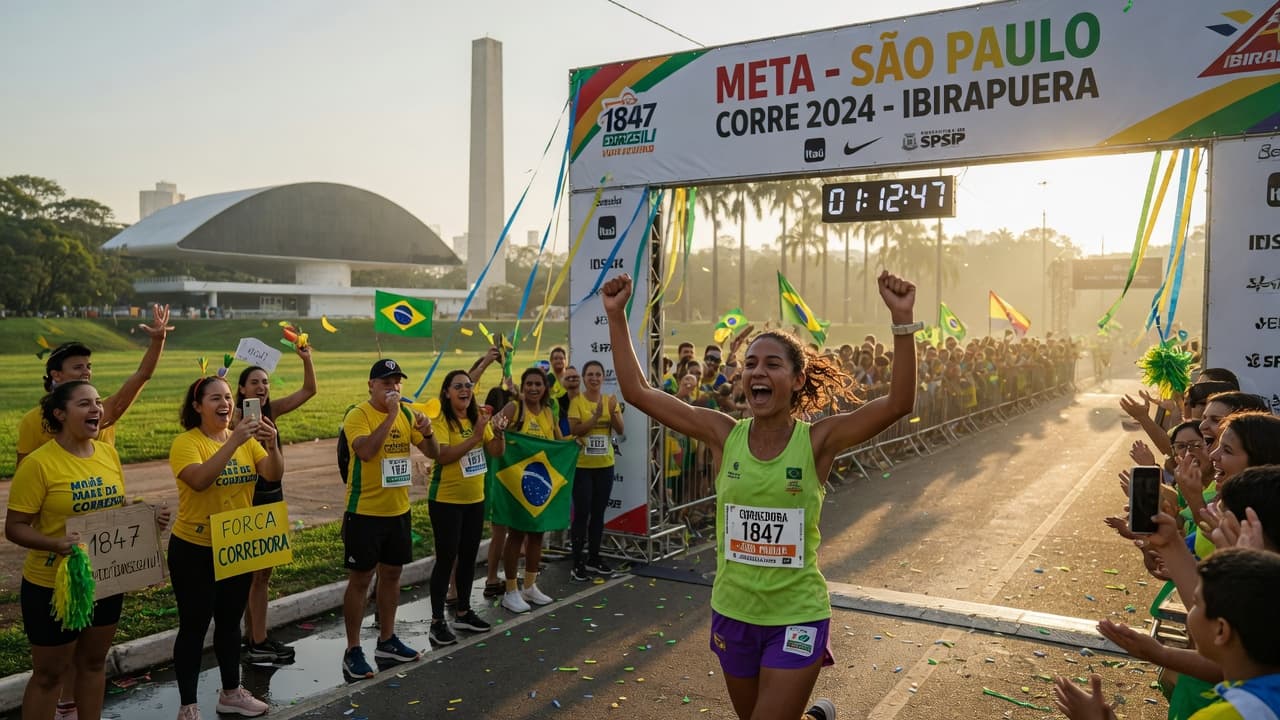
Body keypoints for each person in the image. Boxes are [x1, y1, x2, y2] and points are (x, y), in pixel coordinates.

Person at [598, 270, 918, 720]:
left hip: (796, 614)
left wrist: (902, 321)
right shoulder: (721, 433)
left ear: (796, 379)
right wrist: (615, 316)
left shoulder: (818, 441)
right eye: (749, 364)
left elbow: (898, 403)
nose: (757, 372)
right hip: (734, 611)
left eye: (771, 364)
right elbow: (637, 391)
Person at [6, 381, 171, 720]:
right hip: (52, 586)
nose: (96, 409)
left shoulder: (108, 454)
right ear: (60, 413)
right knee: (50, 675)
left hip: (104, 579)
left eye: (97, 402)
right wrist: (55, 543)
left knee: (94, 664)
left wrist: (144, 516)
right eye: (85, 404)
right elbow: (15, 527)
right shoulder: (38, 465)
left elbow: (114, 507)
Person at [168, 375, 283, 720]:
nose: (225, 404)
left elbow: (273, 475)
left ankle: (231, 692)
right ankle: (188, 704)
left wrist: (273, 444)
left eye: (229, 397)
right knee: (194, 625)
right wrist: (233, 441)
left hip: (236, 543)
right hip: (194, 547)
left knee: (230, 624)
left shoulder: (248, 441)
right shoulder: (187, 443)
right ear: (197, 406)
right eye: (215, 398)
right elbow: (201, 481)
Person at [1054, 548, 1280, 720]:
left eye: (1196, 604)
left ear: (1221, 630)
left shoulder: (1225, 715)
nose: (1190, 612)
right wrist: (1158, 652)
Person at [339, 359, 439, 679]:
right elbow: (366, 451)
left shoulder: (408, 415)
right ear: (371, 385)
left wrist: (429, 431)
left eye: (397, 382)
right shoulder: (358, 415)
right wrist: (393, 415)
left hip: (398, 511)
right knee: (361, 579)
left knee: (392, 575)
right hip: (364, 513)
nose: (393, 388)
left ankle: (387, 639)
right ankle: (353, 649)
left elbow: (433, 452)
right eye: (386, 383)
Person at [236, 344, 317, 665]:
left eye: (265, 382)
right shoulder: (234, 418)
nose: (261, 387)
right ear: (241, 388)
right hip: (246, 501)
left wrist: (306, 359)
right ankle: (257, 640)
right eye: (254, 382)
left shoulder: (272, 412)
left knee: (262, 575)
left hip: (272, 495)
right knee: (249, 575)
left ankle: (254, 636)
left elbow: (309, 390)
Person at [16, 305, 173, 470]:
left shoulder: (99, 410)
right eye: (78, 367)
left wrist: (158, 341)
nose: (86, 372)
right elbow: (24, 473)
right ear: (56, 375)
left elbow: (142, 375)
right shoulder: (33, 421)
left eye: (88, 366)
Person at [425, 370, 505, 645]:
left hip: (474, 500)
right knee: (447, 559)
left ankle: (463, 611)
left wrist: (500, 433)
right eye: (458, 386)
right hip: (446, 501)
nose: (465, 390)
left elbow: (495, 450)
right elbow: (443, 455)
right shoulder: (442, 421)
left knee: (469, 557)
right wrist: (475, 438)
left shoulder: (477, 419)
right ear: (447, 392)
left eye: (468, 386)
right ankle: (437, 622)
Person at [496, 367, 563, 612]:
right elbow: (494, 429)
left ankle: (530, 586)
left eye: (538, 384)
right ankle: (510, 590)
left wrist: (574, 443)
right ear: (522, 387)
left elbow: (557, 443)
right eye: (529, 384)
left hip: (540, 485)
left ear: (545, 388)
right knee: (515, 535)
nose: (534, 388)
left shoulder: (547, 413)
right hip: (516, 483)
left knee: (537, 534)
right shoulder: (515, 409)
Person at [567, 360, 625, 582]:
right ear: (584, 378)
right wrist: (594, 417)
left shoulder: (610, 400)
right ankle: (577, 562)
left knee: (599, 514)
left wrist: (612, 414)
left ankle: (594, 557)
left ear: (603, 378)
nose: (594, 378)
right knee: (582, 514)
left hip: (605, 466)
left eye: (598, 374)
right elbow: (574, 430)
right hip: (582, 467)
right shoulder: (577, 402)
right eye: (589, 374)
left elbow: (620, 430)